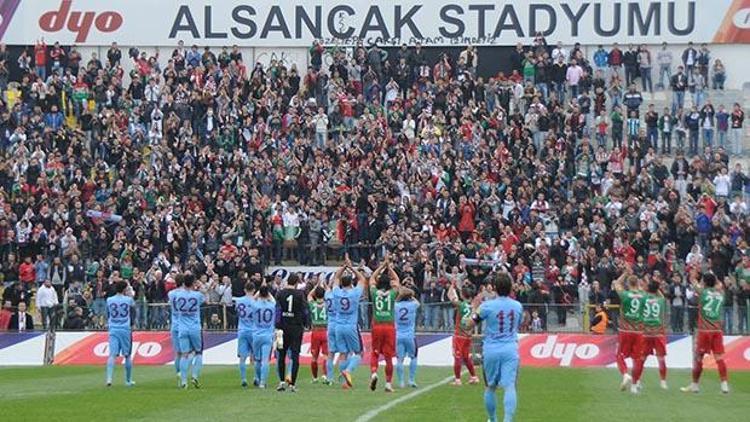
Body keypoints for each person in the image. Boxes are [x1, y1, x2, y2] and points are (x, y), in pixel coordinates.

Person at [467, 273, 523, 422]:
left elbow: (470, 324)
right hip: (510, 349)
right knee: (510, 386)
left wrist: (474, 308)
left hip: (491, 349)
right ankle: (508, 420)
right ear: (511, 288)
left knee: (490, 386)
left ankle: (492, 419)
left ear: (495, 288)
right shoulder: (517, 306)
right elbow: (519, 322)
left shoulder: (487, 306)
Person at [681, 273, 730, 394]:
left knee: (698, 357)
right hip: (717, 330)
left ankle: (695, 385)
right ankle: (724, 385)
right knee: (719, 357)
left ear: (705, 282)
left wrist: (694, 273)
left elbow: (692, 280)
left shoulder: (703, 292)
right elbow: (721, 285)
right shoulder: (720, 294)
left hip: (705, 330)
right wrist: (716, 279)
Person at [333, 256, 369, 389]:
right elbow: (362, 279)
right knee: (359, 352)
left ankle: (344, 381)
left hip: (338, 326)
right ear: (351, 283)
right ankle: (348, 371)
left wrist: (344, 267)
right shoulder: (354, 293)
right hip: (351, 326)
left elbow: (336, 277)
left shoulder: (336, 292)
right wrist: (352, 268)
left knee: (343, 353)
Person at [368, 256, 401, 393]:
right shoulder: (392, 294)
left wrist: (381, 267)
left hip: (377, 325)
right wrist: (389, 267)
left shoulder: (374, 293)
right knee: (388, 356)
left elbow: (371, 279)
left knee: (375, 353)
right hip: (389, 326)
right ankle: (388, 383)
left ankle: (374, 373)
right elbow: (397, 281)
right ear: (389, 284)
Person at [612, 267, 645, 394]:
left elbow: (616, 283)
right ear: (638, 284)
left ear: (628, 284)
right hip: (639, 331)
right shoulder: (643, 295)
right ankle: (635, 385)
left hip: (625, 330)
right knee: (637, 358)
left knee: (619, 355)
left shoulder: (624, 294)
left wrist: (625, 273)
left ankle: (625, 374)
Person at [275, 273, 309, 392]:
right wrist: (306, 323)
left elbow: (278, 310)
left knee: (281, 355)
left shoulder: (280, 293)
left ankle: (282, 382)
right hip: (296, 328)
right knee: (295, 356)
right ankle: (292, 384)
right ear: (296, 283)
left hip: (281, 328)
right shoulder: (300, 294)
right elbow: (305, 311)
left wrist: (277, 325)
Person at [447, 282, 480, 385]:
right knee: (466, 357)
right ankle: (474, 377)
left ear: (462, 295)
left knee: (457, 356)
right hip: (468, 335)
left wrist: (452, 285)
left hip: (459, 334)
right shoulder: (472, 307)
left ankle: (457, 379)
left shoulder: (461, 305)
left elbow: (450, 295)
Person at [176, 273, 205, 389]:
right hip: (194, 327)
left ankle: (183, 381)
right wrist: (200, 287)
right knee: (198, 352)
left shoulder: (178, 295)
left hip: (182, 327)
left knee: (184, 354)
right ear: (193, 283)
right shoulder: (197, 295)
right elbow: (205, 299)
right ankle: (195, 376)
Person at [639, 281, 668, 389]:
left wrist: (646, 287)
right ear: (657, 290)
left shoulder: (643, 299)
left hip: (645, 332)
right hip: (658, 332)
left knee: (642, 358)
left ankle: (637, 380)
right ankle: (663, 381)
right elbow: (661, 296)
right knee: (661, 358)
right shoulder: (660, 300)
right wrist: (657, 288)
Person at [105, 281, 135, 387]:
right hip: (125, 329)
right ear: (124, 290)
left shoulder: (109, 300)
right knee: (127, 355)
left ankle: (109, 379)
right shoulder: (128, 300)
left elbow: (107, 314)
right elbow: (132, 314)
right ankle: (128, 380)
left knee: (112, 355)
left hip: (113, 328)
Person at [251, 282, 276, 389]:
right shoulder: (272, 305)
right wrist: (267, 292)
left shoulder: (255, 305)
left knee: (257, 359)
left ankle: (257, 377)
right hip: (268, 334)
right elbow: (273, 299)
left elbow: (253, 298)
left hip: (256, 334)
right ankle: (262, 382)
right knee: (265, 360)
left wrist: (260, 291)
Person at [395, 288, 420, 388]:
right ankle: (411, 379)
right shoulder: (413, 305)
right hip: (410, 335)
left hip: (398, 335)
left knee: (399, 359)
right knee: (413, 357)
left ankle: (401, 381)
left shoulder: (395, 306)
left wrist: (400, 295)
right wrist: (410, 295)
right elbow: (418, 303)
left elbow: (396, 301)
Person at [307, 284, 330, 384]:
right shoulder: (327, 304)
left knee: (314, 357)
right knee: (326, 355)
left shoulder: (312, 303)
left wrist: (315, 287)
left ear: (315, 295)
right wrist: (326, 287)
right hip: (325, 331)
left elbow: (309, 295)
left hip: (315, 331)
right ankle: (325, 376)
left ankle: (315, 378)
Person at [235, 281, 256, 388]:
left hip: (242, 330)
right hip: (253, 330)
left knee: (242, 357)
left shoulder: (239, 301)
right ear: (254, 290)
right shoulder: (256, 301)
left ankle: (243, 379)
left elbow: (237, 312)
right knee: (256, 356)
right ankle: (256, 378)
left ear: (244, 290)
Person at [167, 274, 185, 382]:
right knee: (185, 352)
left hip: (174, 323)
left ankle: (178, 372)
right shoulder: (186, 294)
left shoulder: (171, 293)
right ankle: (183, 373)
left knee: (177, 352)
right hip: (184, 323)